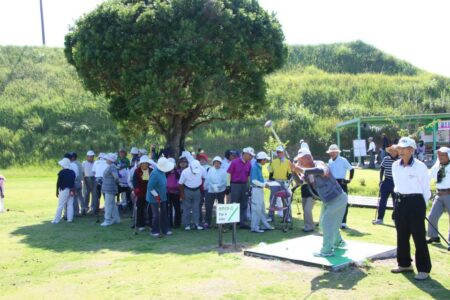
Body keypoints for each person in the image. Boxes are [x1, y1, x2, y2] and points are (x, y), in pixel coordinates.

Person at [291, 148, 347, 257]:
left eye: (301, 160)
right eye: (299, 161)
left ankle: (327, 251)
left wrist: (300, 169)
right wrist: (294, 171)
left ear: (308, 158)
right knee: (322, 224)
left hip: (338, 199)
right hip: (327, 201)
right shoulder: (306, 172)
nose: (300, 162)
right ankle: (338, 242)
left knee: (326, 223)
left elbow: (322, 171)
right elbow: (299, 182)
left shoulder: (320, 164)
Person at [391, 137, 431, 281]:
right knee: (401, 234)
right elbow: (397, 185)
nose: (400, 151)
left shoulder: (420, 166)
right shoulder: (395, 165)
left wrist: (422, 207)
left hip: (416, 202)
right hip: (401, 201)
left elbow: (426, 189)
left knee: (418, 236)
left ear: (411, 150)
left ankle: (424, 268)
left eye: (404, 149)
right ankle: (404, 264)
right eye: (399, 148)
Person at [326, 144, 354, 229]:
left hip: (342, 182)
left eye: (334, 152)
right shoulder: (330, 161)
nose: (332, 154)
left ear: (337, 152)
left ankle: (343, 221)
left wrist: (349, 180)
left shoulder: (343, 160)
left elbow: (351, 169)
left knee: (343, 202)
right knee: (333, 202)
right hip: (333, 183)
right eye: (331, 152)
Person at [146, 157, 175, 237]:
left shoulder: (162, 172)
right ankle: (154, 231)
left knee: (164, 213)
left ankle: (165, 229)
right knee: (156, 215)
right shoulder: (155, 174)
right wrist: (156, 195)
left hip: (163, 196)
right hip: (154, 198)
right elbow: (150, 187)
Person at [427, 146, 450, 245]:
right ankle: (434, 236)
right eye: (439, 155)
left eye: (443, 155)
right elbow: (428, 177)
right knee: (432, 216)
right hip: (439, 194)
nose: (440, 157)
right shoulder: (436, 166)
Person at [227, 147, 255, 229]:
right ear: (245, 154)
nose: (251, 157)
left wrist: (249, 186)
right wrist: (228, 186)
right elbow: (228, 173)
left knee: (244, 204)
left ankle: (242, 222)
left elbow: (248, 176)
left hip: (245, 185)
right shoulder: (234, 162)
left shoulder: (249, 163)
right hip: (235, 185)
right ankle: (232, 223)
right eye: (250, 155)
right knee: (234, 204)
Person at [373, 145, 399, 225]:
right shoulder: (386, 159)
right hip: (386, 181)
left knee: (396, 202)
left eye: (394, 151)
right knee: (382, 201)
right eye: (391, 151)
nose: (393, 152)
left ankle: (395, 218)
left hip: (396, 182)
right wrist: (381, 180)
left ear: (397, 152)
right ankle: (380, 218)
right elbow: (382, 169)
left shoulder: (400, 160)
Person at [250, 152, 274, 233]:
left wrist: (266, 181)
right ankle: (254, 227)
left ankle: (265, 225)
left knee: (262, 209)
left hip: (259, 190)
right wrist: (264, 184)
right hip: (256, 190)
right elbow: (254, 180)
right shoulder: (255, 167)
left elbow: (260, 179)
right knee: (256, 209)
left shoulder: (259, 167)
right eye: (265, 160)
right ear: (262, 160)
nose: (266, 161)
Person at [267, 146, 292, 222]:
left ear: (283, 152)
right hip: (275, 182)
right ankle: (271, 217)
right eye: (278, 152)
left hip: (284, 182)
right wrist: (270, 181)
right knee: (272, 199)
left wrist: (288, 182)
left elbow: (290, 174)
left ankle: (287, 217)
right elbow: (271, 173)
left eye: (280, 152)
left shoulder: (288, 162)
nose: (279, 153)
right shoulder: (274, 162)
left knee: (286, 199)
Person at [179, 159, 204, 231]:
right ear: (190, 167)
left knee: (196, 208)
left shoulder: (201, 169)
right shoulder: (185, 172)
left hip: (197, 190)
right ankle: (186, 225)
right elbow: (180, 184)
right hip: (187, 190)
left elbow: (204, 178)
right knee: (186, 208)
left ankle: (196, 224)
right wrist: (182, 194)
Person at [204, 156, 228, 228]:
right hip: (211, 190)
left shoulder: (223, 171)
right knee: (208, 206)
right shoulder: (210, 170)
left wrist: (219, 186)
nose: (217, 164)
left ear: (220, 164)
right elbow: (208, 180)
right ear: (213, 163)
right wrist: (213, 186)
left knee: (221, 206)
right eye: (215, 163)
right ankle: (207, 222)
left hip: (221, 190)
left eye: (218, 163)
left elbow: (225, 181)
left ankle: (221, 222)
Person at [132, 155, 153, 231]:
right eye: (143, 163)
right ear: (140, 164)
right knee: (140, 209)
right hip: (140, 193)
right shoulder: (137, 171)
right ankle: (140, 224)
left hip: (150, 192)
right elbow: (134, 181)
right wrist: (136, 189)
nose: (144, 164)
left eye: (146, 163)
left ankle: (151, 224)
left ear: (148, 163)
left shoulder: (151, 170)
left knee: (150, 209)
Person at [52, 158, 76, 224]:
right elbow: (73, 182)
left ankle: (56, 220)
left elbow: (58, 183)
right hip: (71, 189)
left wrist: (57, 191)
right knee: (70, 204)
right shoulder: (72, 172)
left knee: (60, 205)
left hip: (63, 190)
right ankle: (70, 219)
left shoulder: (61, 172)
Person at [101, 153, 121, 227]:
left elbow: (116, 177)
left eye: (107, 159)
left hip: (110, 188)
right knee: (112, 204)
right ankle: (116, 219)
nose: (106, 160)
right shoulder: (111, 166)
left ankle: (107, 220)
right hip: (109, 188)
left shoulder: (112, 167)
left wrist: (117, 182)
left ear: (110, 160)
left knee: (108, 204)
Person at [166, 157, 182, 228]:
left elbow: (180, 182)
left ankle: (177, 223)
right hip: (167, 192)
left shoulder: (177, 172)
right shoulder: (165, 173)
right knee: (168, 208)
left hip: (175, 193)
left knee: (177, 208)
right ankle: (169, 223)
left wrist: (175, 188)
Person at [197, 152, 210, 225]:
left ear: (206, 160)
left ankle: (207, 221)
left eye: (203, 159)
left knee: (208, 205)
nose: (202, 160)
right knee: (199, 205)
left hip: (207, 189)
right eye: (200, 159)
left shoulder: (209, 168)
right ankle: (200, 220)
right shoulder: (197, 167)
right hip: (199, 189)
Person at [82, 151, 96, 215]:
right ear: (87, 157)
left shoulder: (95, 163)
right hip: (86, 179)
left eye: (92, 157)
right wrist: (83, 180)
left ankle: (93, 207)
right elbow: (82, 172)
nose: (91, 158)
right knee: (86, 193)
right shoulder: (84, 163)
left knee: (94, 193)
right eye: (90, 157)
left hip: (94, 178)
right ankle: (85, 207)